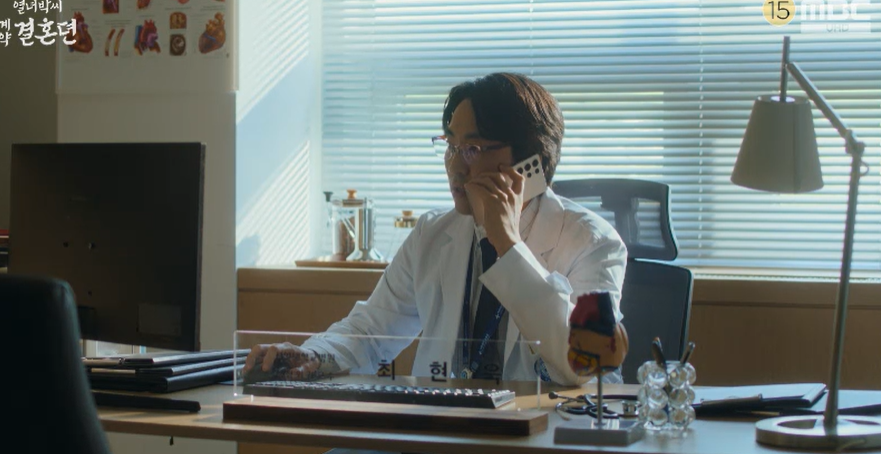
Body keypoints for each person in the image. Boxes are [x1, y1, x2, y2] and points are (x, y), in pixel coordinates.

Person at [244, 72, 628, 386]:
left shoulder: (592, 242)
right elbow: (372, 332)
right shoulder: (433, 232)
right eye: (450, 145)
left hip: (541, 435)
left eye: (472, 149)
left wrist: (509, 246)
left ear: (530, 163)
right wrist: (314, 355)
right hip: (438, 429)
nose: (455, 167)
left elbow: (584, 366)